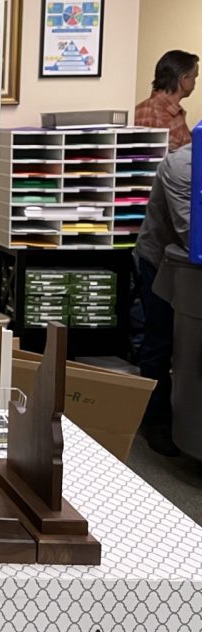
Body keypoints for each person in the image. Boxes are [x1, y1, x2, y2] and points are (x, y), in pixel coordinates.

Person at [132, 141, 193, 456]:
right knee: (160, 341)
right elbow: (192, 232)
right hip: (160, 264)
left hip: (189, 270)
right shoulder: (182, 166)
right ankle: (155, 422)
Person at [134, 50, 199, 151]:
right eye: (194, 77)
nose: (195, 83)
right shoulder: (153, 115)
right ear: (184, 79)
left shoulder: (174, 112)